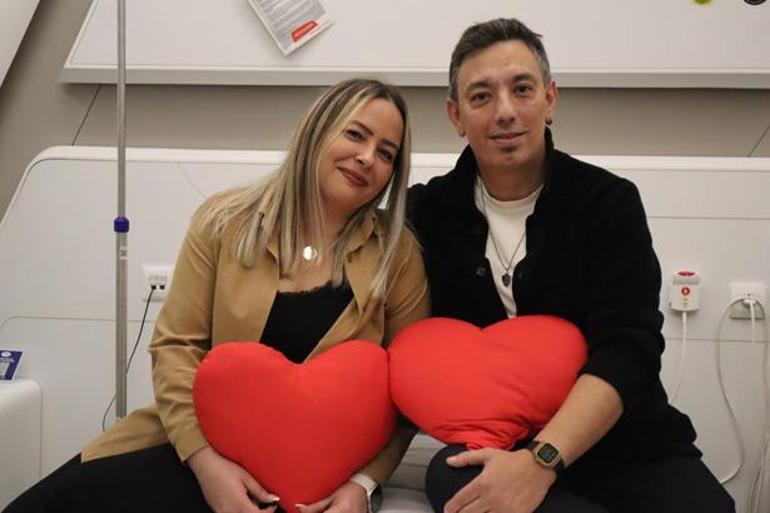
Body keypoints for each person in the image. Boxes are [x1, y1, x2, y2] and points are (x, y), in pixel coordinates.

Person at [4, 78, 429, 513]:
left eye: (386, 153)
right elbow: (175, 347)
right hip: (200, 447)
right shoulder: (225, 222)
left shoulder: (397, 255)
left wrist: (363, 484)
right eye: (355, 134)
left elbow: (407, 394)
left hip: (317, 475)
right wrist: (206, 464)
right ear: (316, 130)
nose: (367, 157)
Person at [406, 18, 734, 513]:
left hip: (623, 443)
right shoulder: (425, 213)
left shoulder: (607, 201)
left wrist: (541, 462)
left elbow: (630, 348)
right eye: (481, 97)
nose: (505, 112)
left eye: (522, 89)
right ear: (456, 114)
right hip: (496, 443)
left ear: (550, 98)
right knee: (452, 480)